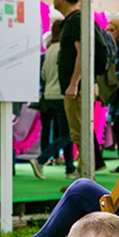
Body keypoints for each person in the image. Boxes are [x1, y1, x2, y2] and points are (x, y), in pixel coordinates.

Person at [50, 0, 105, 175]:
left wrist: (74, 83)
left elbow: (83, 54)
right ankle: (86, 172)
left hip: (77, 88)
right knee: (79, 131)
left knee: (79, 132)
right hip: (78, 86)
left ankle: (85, 175)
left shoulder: (75, 20)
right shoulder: (75, 20)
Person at [30, 19, 74, 179]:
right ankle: (40, 160)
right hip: (62, 95)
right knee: (66, 135)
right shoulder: (65, 49)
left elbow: (42, 74)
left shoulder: (49, 50)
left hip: (48, 95)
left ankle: (70, 168)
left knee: (62, 132)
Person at [106, 18, 119, 173]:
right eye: (107, 30)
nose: (108, 33)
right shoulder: (112, 52)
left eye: (112, 30)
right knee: (117, 128)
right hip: (115, 97)